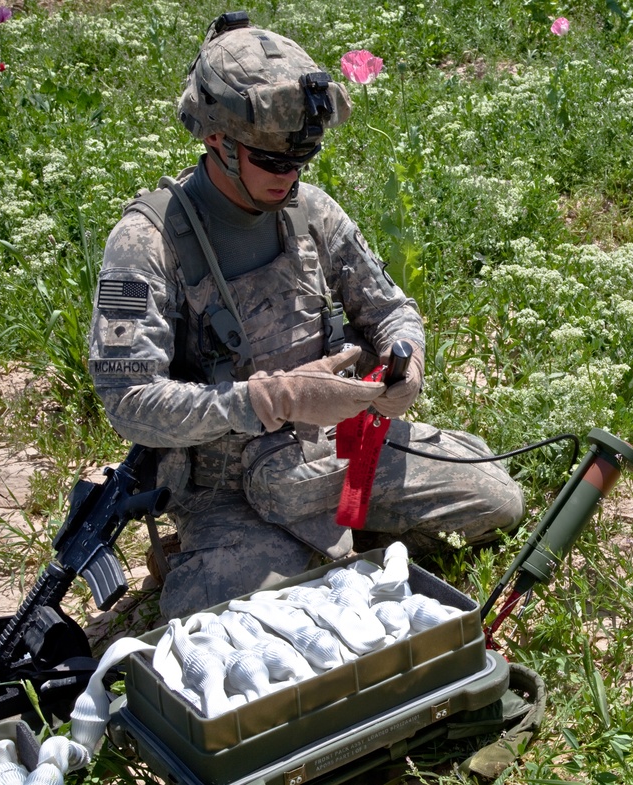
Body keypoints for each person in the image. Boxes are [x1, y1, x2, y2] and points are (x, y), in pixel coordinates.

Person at [88, 11, 525, 621]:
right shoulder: (147, 241)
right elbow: (128, 400)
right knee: (243, 621)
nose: (289, 176)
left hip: (336, 452)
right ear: (217, 139)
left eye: (303, 159)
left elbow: (391, 309)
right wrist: (273, 399)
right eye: (273, 161)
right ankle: (259, 557)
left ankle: (352, 531)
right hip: (228, 488)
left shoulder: (310, 211)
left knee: (499, 501)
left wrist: (407, 361)